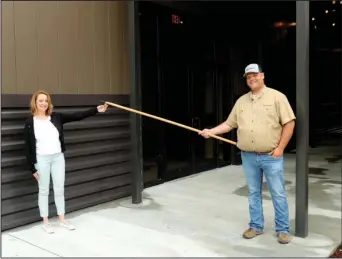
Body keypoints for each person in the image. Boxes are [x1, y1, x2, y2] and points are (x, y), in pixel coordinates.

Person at [199, 64, 296, 244]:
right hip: (248, 156)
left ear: (262, 75)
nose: (251, 78)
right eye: (248, 76)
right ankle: (256, 226)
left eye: (254, 75)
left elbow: (289, 123)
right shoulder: (241, 101)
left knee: (278, 193)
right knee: (253, 193)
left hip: (271, 156)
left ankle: (283, 229)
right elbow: (229, 124)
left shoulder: (277, 97)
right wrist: (211, 131)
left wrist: (281, 148)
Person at [24, 90, 108, 234]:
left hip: (58, 158)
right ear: (35, 103)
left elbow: (77, 116)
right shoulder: (30, 122)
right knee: (44, 190)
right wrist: (32, 168)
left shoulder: (56, 117)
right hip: (41, 160)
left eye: (46, 100)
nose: (44, 103)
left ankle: (62, 219)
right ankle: (46, 222)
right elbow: (27, 146)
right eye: (41, 101)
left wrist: (96, 110)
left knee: (59, 189)